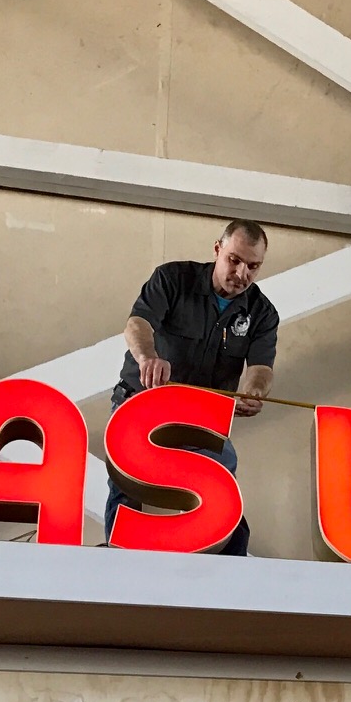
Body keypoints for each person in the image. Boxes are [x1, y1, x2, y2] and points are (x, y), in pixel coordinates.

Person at [104, 220, 279, 554]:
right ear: (217, 250)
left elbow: (260, 367)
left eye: (253, 267)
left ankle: (228, 576)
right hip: (141, 405)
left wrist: (254, 391)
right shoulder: (172, 279)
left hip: (201, 418)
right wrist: (147, 358)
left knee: (224, 493)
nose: (242, 274)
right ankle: (117, 569)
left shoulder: (263, 313)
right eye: (234, 260)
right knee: (125, 488)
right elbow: (138, 323)